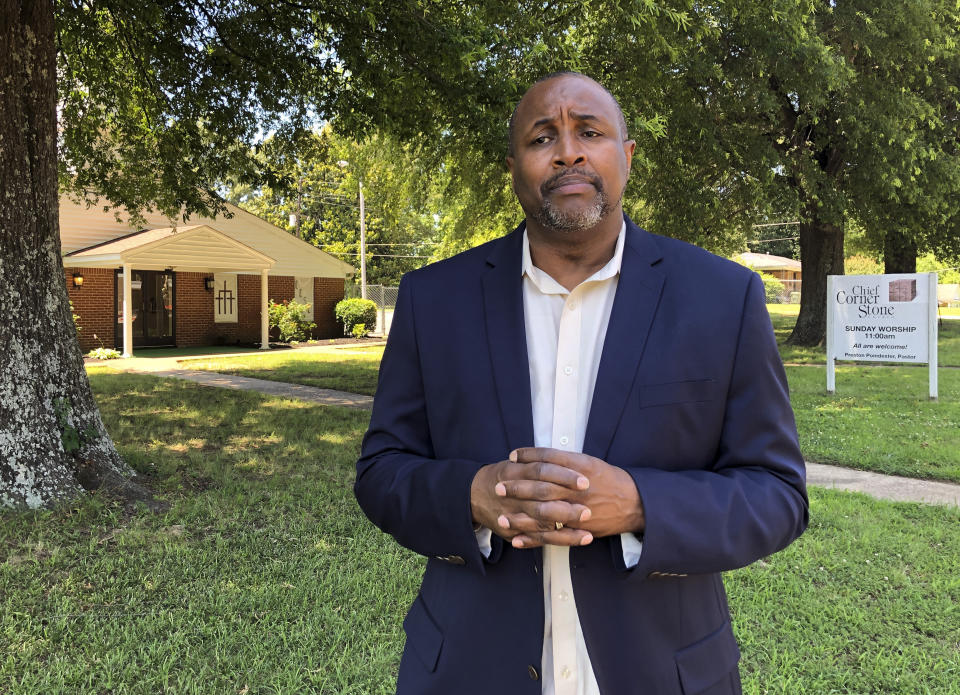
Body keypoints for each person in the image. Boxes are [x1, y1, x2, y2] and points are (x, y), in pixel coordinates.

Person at [355, 71, 808, 695]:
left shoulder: (722, 297)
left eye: (589, 131)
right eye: (543, 137)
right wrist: (472, 496)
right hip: (466, 670)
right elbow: (382, 471)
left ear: (625, 156)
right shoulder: (434, 300)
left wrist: (643, 505)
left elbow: (778, 492)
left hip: (664, 673)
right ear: (514, 167)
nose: (568, 149)